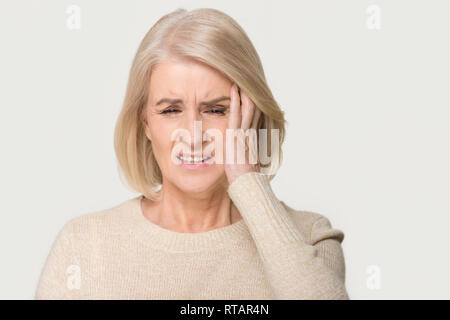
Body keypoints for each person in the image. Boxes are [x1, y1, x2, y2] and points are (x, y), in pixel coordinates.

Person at [35, 7, 349, 300]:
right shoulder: (84, 246)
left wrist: (248, 180)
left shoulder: (308, 238)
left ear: (250, 115)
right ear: (145, 123)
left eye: (216, 109)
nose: (194, 135)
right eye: (171, 110)